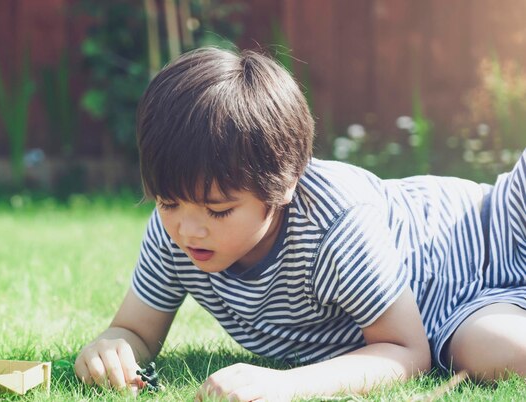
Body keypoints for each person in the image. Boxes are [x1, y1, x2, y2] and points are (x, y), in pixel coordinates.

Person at [74, 47, 526, 401]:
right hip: (456, 315)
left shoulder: (334, 222)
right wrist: (111, 349)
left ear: (285, 182)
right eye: (168, 202)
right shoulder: (174, 232)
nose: (189, 230)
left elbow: (404, 352)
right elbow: (135, 331)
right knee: (501, 352)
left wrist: (287, 386)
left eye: (218, 211)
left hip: (493, 230)